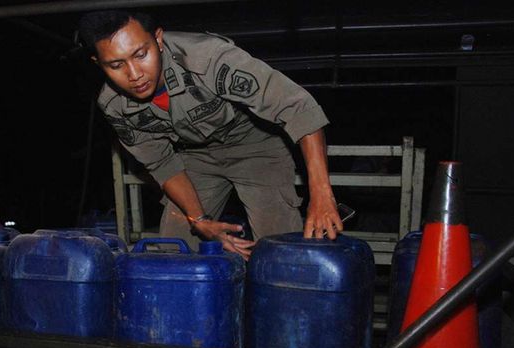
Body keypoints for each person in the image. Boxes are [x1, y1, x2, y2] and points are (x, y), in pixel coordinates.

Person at [79, 11, 343, 259]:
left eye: (140, 54)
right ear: (98, 63)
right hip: (195, 156)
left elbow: (297, 107)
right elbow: (162, 163)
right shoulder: (113, 104)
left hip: (256, 145)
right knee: (175, 247)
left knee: (280, 250)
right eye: (116, 65)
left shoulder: (207, 57)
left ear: (158, 39)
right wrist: (200, 221)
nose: (134, 75)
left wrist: (320, 194)